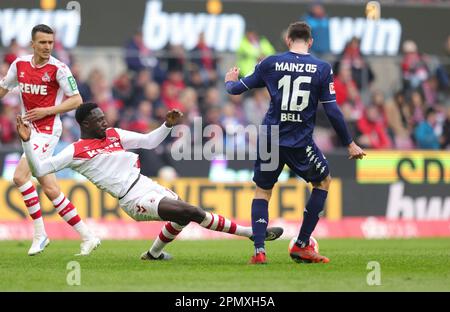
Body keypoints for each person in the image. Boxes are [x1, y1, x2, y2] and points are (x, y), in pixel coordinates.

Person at [16, 104, 283, 261]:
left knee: (182, 216)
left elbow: (148, 141)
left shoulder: (114, 134)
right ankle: (252, 234)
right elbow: (39, 168)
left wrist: (166, 126)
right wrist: (28, 143)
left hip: (146, 184)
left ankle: (154, 254)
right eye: (98, 119)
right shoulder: (75, 150)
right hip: (132, 200)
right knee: (191, 211)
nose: (104, 121)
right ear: (85, 123)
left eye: (103, 117)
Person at [225, 21, 366, 264]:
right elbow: (332, 111)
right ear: (310, 42)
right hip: (300, 141)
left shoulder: (270, 63)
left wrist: (230, 80)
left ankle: (259, 251)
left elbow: (236, 89)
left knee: (263, 191)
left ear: (288, 40)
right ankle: (301, 244)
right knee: (322, 182)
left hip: (270, 138)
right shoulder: (322, 68)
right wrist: (349, 143)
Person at [0, 24, 98, 256]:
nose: (47, 47)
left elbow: (76, 100)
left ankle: (40, 234)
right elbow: (4, 88)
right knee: (51, 189)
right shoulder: (20, 65)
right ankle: (88, 235)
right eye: (42, 42)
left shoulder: (59, 69)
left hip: (46, 131)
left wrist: (48, 111)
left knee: (19, 176)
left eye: (50, 43)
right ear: (32, 44)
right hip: (29, 129)